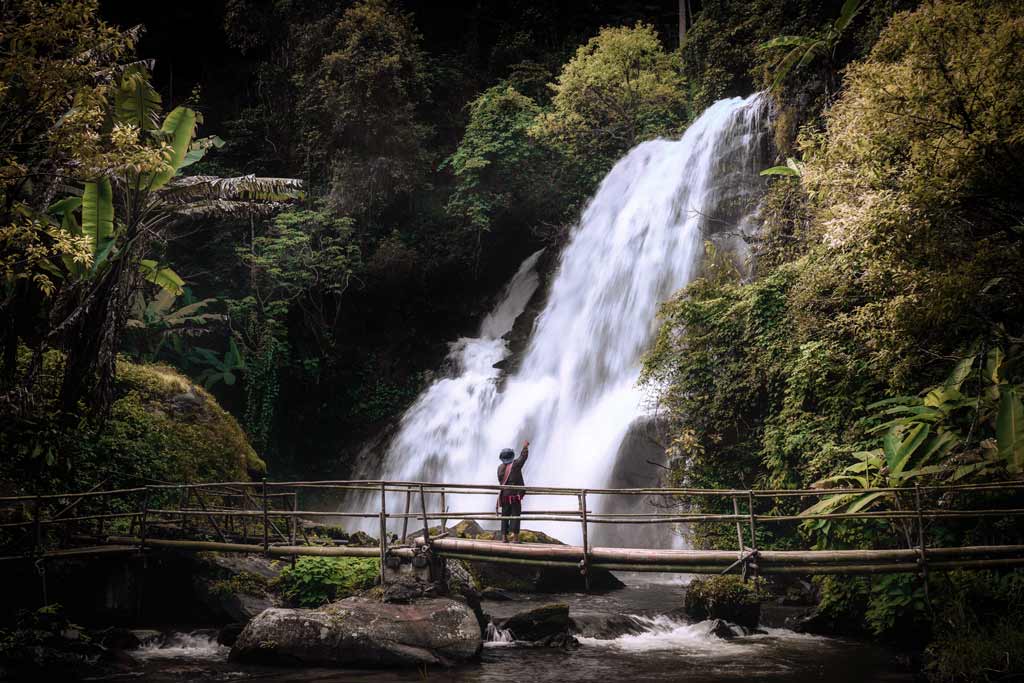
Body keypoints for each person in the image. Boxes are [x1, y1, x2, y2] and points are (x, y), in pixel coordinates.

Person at [496, 440, 529, 543]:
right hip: (514, 496)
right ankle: (515, 538)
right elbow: (523, 458)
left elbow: (500, 481)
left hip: (504, 496)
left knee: (505, 516)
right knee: (515, 516)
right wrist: (525, 447)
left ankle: (504, 538)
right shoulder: (515, 465)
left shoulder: (499, 468)